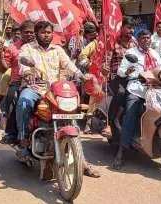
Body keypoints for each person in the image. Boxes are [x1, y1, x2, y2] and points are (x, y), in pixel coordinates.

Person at [16, 21, 100, 177]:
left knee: (70, 115)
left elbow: (69, 64)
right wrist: (28, 73)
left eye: (48, 32)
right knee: (23, 102)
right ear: (36, 33)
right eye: (42, 32)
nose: (46, 35)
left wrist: (81, 75)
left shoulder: (57, 50)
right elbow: (24, 64)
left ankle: (82, 162)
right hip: (35, 88)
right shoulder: (27, 48)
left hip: (54, 89)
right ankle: (22, 142)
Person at [112, 29, 161, 169]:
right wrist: (127, 72)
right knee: (130, 113)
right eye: (143, 38)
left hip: (155, 89)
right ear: (138, 40)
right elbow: (120, 71)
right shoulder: (131, 53)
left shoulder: (154, 53)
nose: (146, 40)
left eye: (148, 38)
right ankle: (121, 150)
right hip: (136, 87)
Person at [0, 20, 35, 145]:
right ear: (21, 33)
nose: (29, 35)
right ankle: (12, 132)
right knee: (12, 97)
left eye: (32, 32)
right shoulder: (13, 47)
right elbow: (3, 67)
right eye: (26, 32)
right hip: (18, 81)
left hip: (39, 83)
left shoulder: (40, 46)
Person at [104, 16, 138, 137]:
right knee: (121, 93)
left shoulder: (135, 43)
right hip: (116, 76)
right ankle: (110, 121)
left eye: (133, 28)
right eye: (129, 28)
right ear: (121, 28)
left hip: (133, 76)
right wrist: (105, 70)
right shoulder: (113, 42)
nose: (131, 31)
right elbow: (106, 61)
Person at [0, 23, 15, 105]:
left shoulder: (16, 40)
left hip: (15, 66)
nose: (9, 30)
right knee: (2, 78)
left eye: (11, 28)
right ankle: (0, 97)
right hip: (3, 65)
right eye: (7, 28)